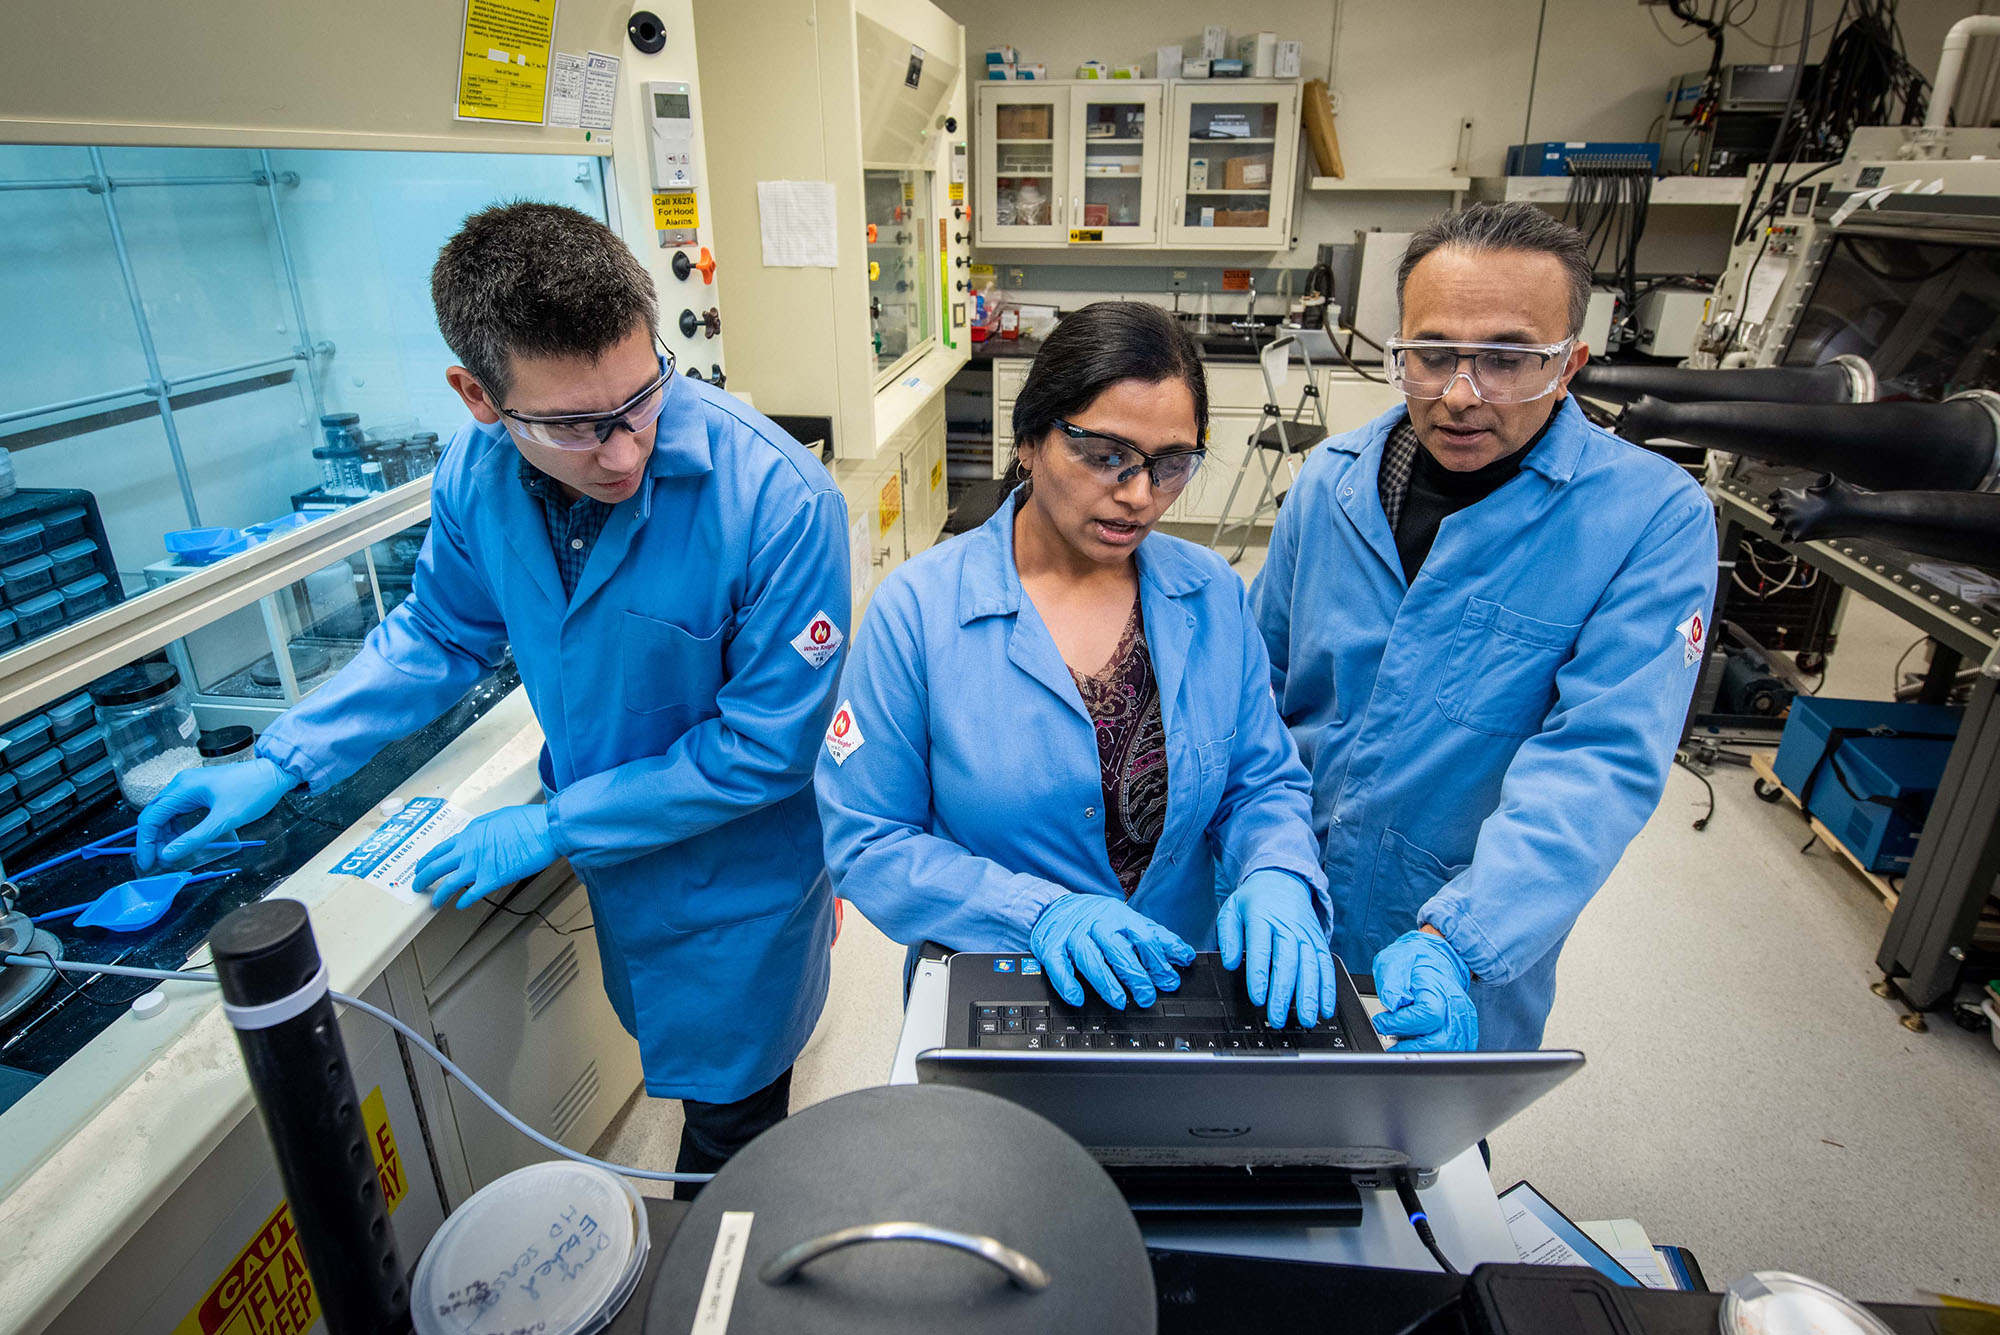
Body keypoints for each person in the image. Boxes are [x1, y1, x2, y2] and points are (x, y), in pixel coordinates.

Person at [133, 202, 850, 1190]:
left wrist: (559, 824)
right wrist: (280, 758)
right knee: (681, 1075)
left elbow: (764, 749)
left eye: (644, 395)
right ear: (477, 396)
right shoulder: (476, 477)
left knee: (734, 1134)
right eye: (575, 425)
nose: (625, 451)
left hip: (740, 887)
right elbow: (439, 632)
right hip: (628, 875)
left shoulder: (780, 502)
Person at [1252, 202, 1717, 1052]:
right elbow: (1255, 694)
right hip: (1281, 905)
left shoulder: (1649, 518)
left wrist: (1457, 939)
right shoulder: (1329, 484)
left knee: (1420, 1133)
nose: (1460, 395)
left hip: (1461, 936)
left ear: (1569, 364)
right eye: (1432, 355)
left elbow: (1597, 763)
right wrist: (1263, 863)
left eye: (1506, 359)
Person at [817, 302, 1335, 1027]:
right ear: (1030, 440)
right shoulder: (919, 612)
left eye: (1170, 465)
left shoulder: (1212, 593)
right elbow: (868, 840)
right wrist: (1036, 913)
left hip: (1174, 987)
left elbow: (1260, 781)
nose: (1139, 494)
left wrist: (1279, 869)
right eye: (1105, 455)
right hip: (1000, 988)